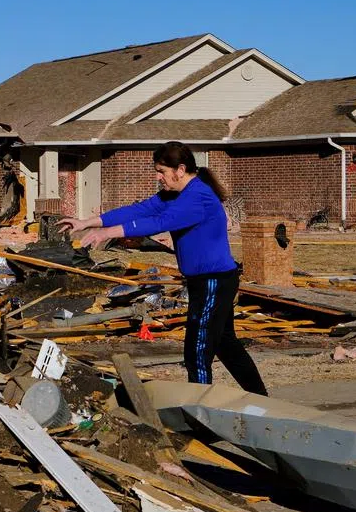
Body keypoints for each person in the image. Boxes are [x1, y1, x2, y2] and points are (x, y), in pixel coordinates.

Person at [57, 141, 267, 395]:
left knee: (198, 350)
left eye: (161, 172)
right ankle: (260, 399)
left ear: (180, 169)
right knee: (225, 343)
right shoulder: (175, 195)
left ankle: (199, 411)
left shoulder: (197, 196)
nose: (158, 178)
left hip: (214, 281)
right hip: (204, 281)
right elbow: (139, 210)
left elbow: (159, 222)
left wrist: (106, 233)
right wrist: (87, 222)